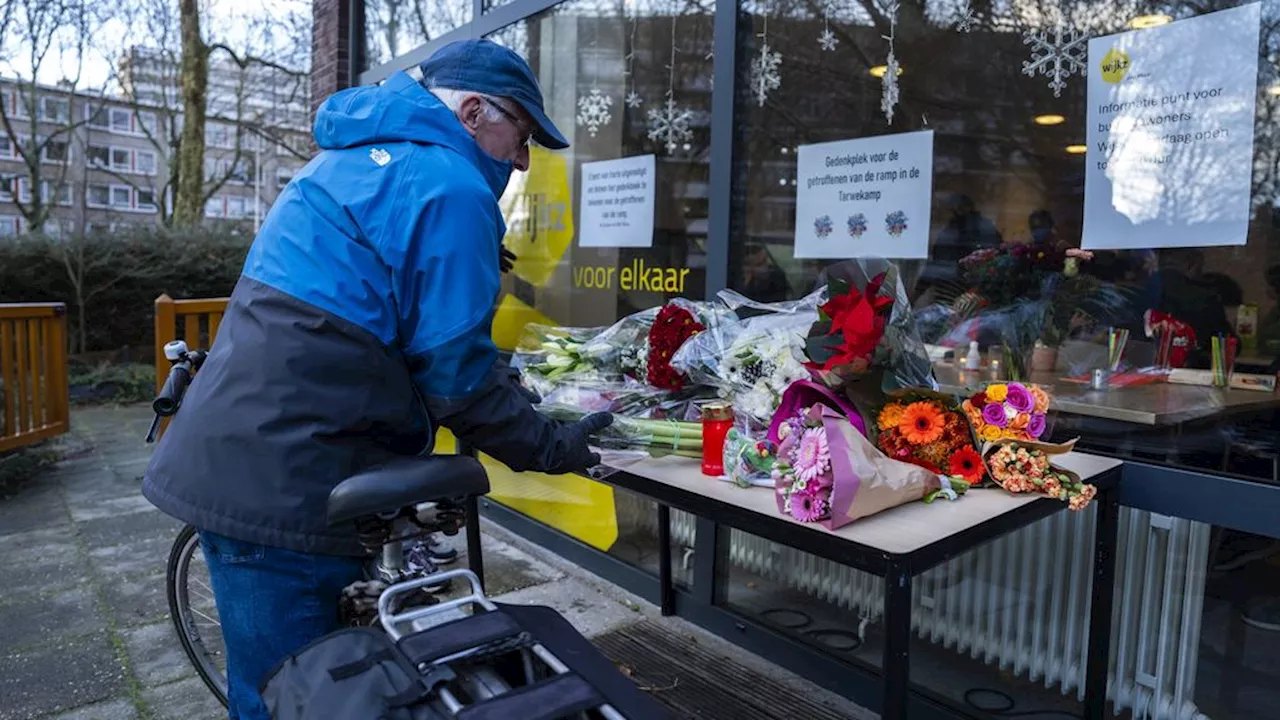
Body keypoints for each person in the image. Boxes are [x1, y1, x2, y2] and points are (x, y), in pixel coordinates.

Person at [141, 39, 611, 720]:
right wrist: (557, 448)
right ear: (474, 111)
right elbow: (458, 382)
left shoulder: (350, 159)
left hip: (244, 452)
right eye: (522, 133)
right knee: (293, 699)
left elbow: (392, 324)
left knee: (282, 688)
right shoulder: (448, 184)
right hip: (288, 485)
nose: (523, 159)